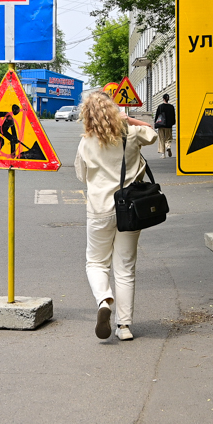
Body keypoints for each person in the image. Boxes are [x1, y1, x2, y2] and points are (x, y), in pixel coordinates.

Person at [74, 90, 158, 341]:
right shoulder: (130, 134)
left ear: (86, 116)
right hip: (130, 208)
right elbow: (153, 135)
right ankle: (125, 327)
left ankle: (103, 301)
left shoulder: (86, 141)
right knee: (125, 268)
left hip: (100, 209)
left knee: (96, 262)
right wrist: (130, 121)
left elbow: (81, 174)